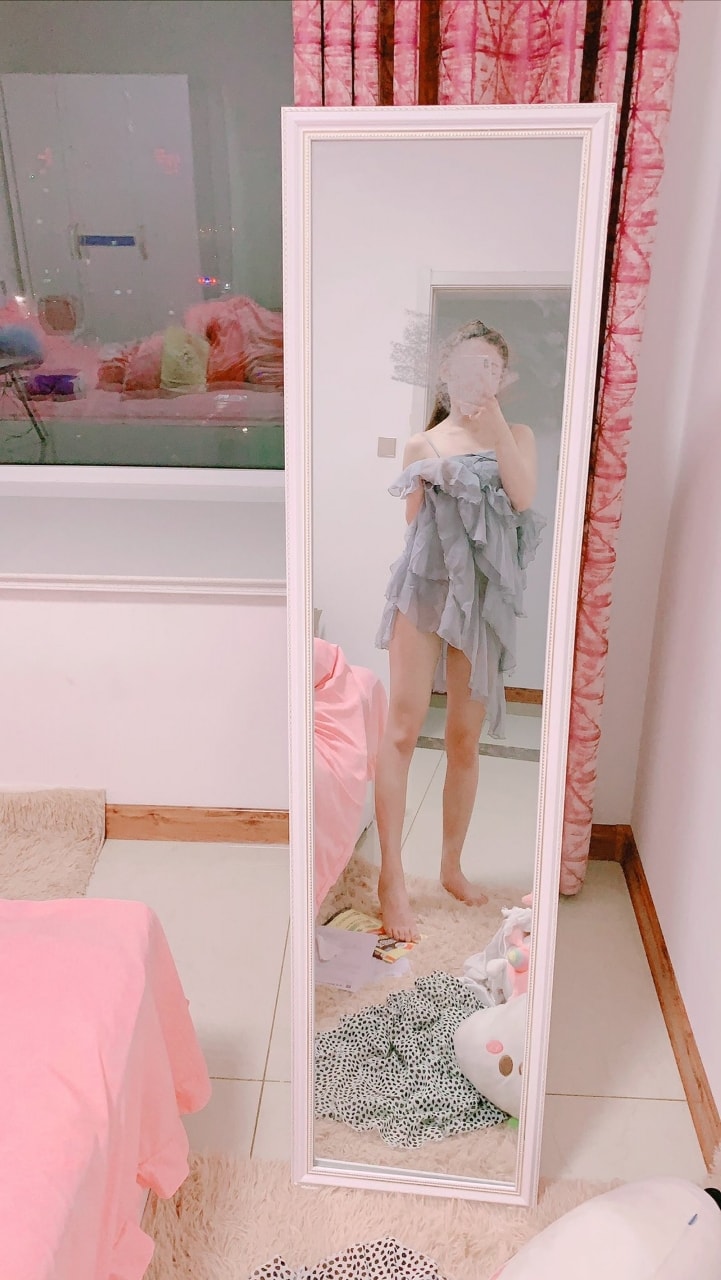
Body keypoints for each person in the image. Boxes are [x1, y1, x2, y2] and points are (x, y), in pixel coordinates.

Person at [374, 320, 545, 941]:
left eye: (492, 366)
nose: (482, 375)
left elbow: (522, 498)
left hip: (483, 602)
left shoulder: (517, 435)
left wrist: (493, 423)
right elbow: (414, 528)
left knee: (465, 739)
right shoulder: (420, 444)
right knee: (402, 728)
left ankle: (451, 866)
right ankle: (392, 877)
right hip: (424, 591)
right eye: (471, 364)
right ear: (446, 373)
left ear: (503, 377)